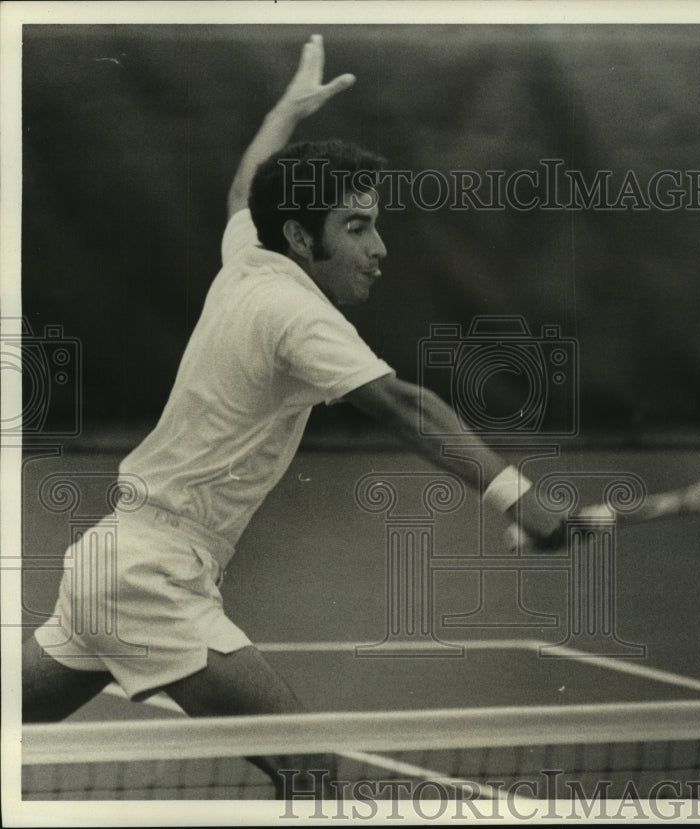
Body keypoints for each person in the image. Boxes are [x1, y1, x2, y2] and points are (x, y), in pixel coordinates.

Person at [22, 34, 564, 793]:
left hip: (113, 555)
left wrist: (286, 111)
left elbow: (244, 194)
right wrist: (521, 496)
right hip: (152, 577)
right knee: (311, 766)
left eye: (374, 224)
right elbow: (404, 405)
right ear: (302, 237)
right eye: (355, 227)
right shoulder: (294, 312)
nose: (379, 248)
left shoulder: (251, 255)